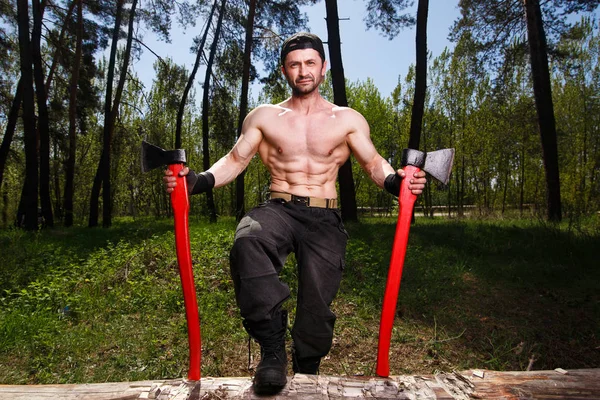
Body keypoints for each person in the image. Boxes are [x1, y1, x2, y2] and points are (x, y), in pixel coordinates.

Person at [164, 32, 426, 394]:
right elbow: (237, 159)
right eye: (294, 64)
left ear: (323, 68)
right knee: (248, 241)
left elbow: (373, 164)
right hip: (279, 207)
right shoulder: (265, 116)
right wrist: (201, 181)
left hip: (324, 217)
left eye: (310, 63)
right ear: (284, 70)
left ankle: (307, 368)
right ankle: (272, 352)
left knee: (317, 305)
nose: (303, 71)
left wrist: (398, 185)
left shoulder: (347, 119)